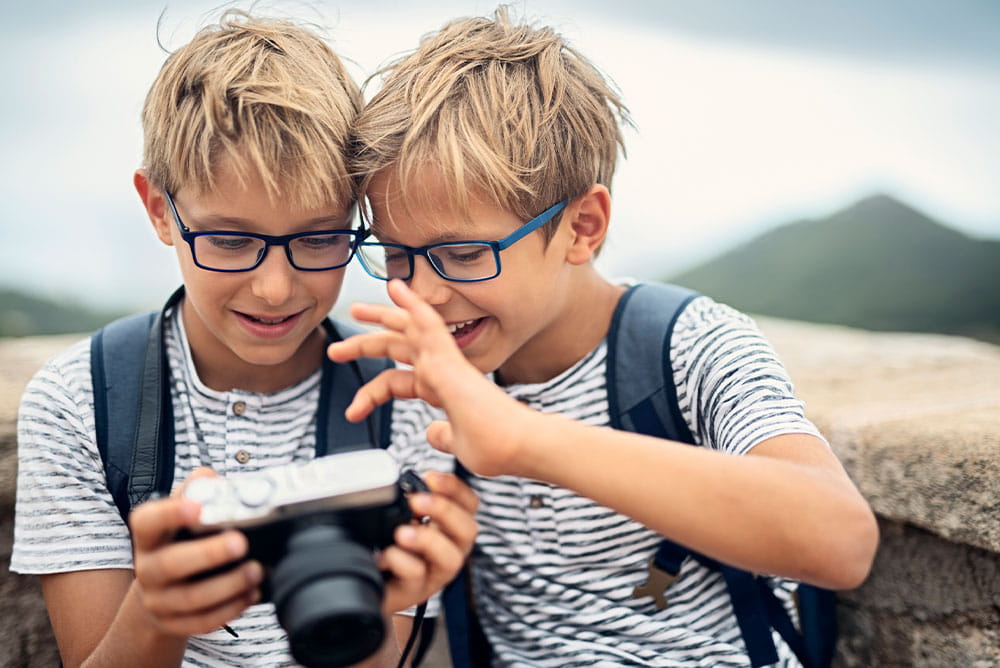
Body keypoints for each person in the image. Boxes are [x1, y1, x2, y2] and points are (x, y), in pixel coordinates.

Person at [329, 7, 879, 667]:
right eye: (395, 255)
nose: (420, 291)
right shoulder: (419, 385)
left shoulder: (688, 348)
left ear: (582, 226)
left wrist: (523, 439)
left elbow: (841, 542)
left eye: (464, 253)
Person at [11, 11, 477, 668]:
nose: (275, 288)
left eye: (320, 238)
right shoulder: (79, 405)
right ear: (159, 210)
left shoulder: (403, 401)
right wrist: (156, 610)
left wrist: (380, 611)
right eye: (231, 241)